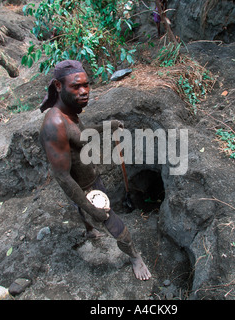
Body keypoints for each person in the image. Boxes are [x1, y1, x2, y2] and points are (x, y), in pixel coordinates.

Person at [38, 60, 151, 281]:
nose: (83, 92)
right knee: (114, 224)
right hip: (84, 187)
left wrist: (108, 126)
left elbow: (82, 136)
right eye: (75, 86)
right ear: (59, 86)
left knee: (81, 209)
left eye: (86, 85)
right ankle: (135, 257)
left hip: (89, 175)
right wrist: (92, 207)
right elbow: (63, 177)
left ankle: (89, 229)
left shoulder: (69, 112)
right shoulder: (55, 125)